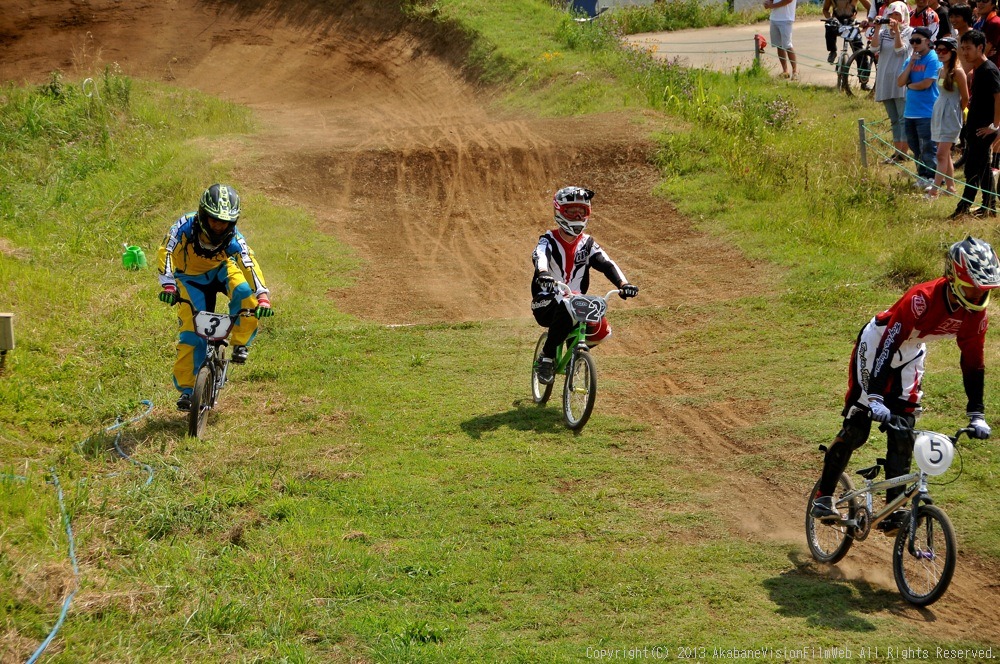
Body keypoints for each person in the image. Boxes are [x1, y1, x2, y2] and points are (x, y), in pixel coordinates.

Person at [810, 237, 1000, 533]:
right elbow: (888, 343)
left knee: (903, 430)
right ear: (953, 279)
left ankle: (892, 511)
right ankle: (824, 495)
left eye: (984, 291)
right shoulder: (921, 299)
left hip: (912, 351)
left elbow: (973, 363)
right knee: (859, 427)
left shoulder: (976, 315)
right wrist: (874, 396)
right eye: (973, 289)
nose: (978, 297)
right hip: (879, 344)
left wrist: (977, 413)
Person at [157, 184, 273, 411]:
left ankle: (240, 343)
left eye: (226, 222)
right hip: (189, 278)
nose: (219, 226)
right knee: (192, 334)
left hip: (222, 269)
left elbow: (248, 263)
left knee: (243, 292)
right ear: (203, 215)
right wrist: (169, 286)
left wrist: (263, 296)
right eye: (214, 220)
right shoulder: (184, 226)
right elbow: (166, 251)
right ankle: (189, 391)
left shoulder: (235, 240)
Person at [530, 187, 639, 385]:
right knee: (565, 305)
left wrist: (624, 284)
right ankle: (546, 356)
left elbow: (607, 263)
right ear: (560, 211)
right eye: (572, 211)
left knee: (602, 330)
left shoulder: (588, 244)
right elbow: (540, 258)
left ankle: (574, 352)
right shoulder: (548, 240)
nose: (578, 215)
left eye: (582, 210)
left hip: (575, 301)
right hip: (545, 302)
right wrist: (544, 274)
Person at [951, 29, 1000, 217]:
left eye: (968, 48)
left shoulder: (989, 70)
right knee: (981, 169)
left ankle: (963, 208)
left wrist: (994, 125)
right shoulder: (977, 69)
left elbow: (998, 97)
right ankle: (989, 207)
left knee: (973, 169)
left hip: (984, 129)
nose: (964, 52)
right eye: (962, 48)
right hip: (974, 126)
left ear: (981, 47)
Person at [898, 27, 943, 188]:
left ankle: (934, 178)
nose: (914, 44)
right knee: (915, 147)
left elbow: (926, 83)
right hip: (910, 111)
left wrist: (910, 85)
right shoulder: (911, 59)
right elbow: (900, 82)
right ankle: (922, 175)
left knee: (928, 148)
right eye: (912, 41)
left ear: (928, 41)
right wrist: (910, 64)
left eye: (918, 40)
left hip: (927, 111)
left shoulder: (933, 58)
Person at [928, 36, 969, 197]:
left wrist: (957, 111)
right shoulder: (940, 70)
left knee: (940, 154)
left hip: (951, 112)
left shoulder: (958, 71)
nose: (940, 53)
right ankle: (951, 187)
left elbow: (965, 97)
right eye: (937, 50)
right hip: (939, 110)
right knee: (944, 153)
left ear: (952, 52)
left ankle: (934, 191)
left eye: (943, 50)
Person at [874, 2, 914, 163]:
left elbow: (900, 51)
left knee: (903, 117)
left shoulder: (909, 32)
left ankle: (903, 153)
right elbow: (873, 48)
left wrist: (897, 32)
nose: (893, 18)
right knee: (893, 119)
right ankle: (897, 152)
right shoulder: (883, 33)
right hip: (885, 78)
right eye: (891, 15)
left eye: (897, 15)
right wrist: (877, 28)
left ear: (903, 16)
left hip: (900, 79)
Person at [765, 0, 798, 79]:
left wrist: (772, 6)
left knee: (787, 45)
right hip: (774, 18)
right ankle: (785, 71)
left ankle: (795, 72)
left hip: (786, 19)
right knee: (779, 45)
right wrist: (768, 2)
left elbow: (788, 1)